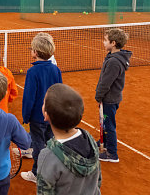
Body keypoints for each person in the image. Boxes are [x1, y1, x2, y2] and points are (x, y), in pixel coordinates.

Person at [37, 83, 101, 195]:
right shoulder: (89, 139)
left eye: (44, 102)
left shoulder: (47, 155)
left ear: (46, 115)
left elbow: (44, 192)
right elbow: (97, 180)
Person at [21, 32, 63, 184]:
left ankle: (37, 173)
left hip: (37, 118)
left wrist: (26, 116)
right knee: (51, 142)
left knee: (38, 145)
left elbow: (29, 97)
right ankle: (53, 170)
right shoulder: (55, 69)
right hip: (52, 116)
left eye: (31, 49)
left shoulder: (32, 72)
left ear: (36, 52)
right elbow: (60, 91)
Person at [95, 28, 131, 163]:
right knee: (105, 122)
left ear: (113, 43)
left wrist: (99, 96)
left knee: (109, 124)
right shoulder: (113, 58)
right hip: (111, 98)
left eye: (105, 40)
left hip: (109, 100)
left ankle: (112, 154)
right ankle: (103, 140)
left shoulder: (114, 62)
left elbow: (106, 82)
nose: (103, 43)